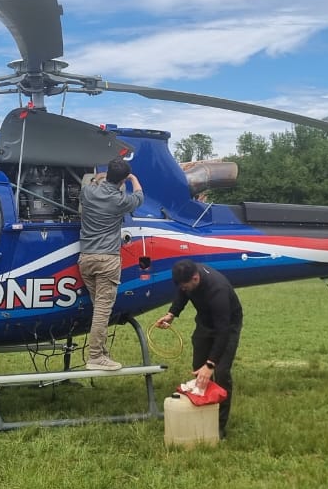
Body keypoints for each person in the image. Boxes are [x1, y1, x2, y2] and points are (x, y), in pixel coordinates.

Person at [156, 259, 242, 439]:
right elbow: (182, 293)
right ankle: (201, 414)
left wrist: (210, 364)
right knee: (198, 370)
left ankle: (218, 426)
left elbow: (222, 331)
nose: (183, 288)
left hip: (227, 325)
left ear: (195, 278)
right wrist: (172, 313)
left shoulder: (217, 291)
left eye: (186, 285)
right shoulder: (188, 280)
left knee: (221, 372)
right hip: (205, 321)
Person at [77, 156, 144, 370]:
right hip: (107, 260)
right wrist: (133, 179)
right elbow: (140, 197)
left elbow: (88, 185)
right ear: (123, 180)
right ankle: (96, 357)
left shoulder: (88, 192)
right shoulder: (120, 201)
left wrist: (100, 179)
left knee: (99, 307)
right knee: (103, 310)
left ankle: (103, 352)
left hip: (86, 258)